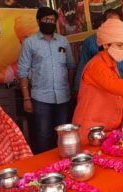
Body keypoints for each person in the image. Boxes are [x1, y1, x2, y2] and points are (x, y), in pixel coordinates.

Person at [18, 7, 75, 154]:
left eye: (52, 20)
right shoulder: (30, 43)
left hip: (63, 96)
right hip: (41, 98)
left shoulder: (63, 41)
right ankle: (46, 169)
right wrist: (26, 98)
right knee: (44, 134)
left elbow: (70, 66)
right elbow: (22, 72)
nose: (50, 23)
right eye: (46, 20)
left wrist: (70, 88)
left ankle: (64, 165)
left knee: (63, 134)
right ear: (38, 21)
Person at [73, 9, 123, 93]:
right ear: (103, 23)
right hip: (101, 91)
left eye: (118, 24)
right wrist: (78, 90)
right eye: (111, 23)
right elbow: (83, 66)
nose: (115, 27)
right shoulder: (90, 42)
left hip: (122, 89)